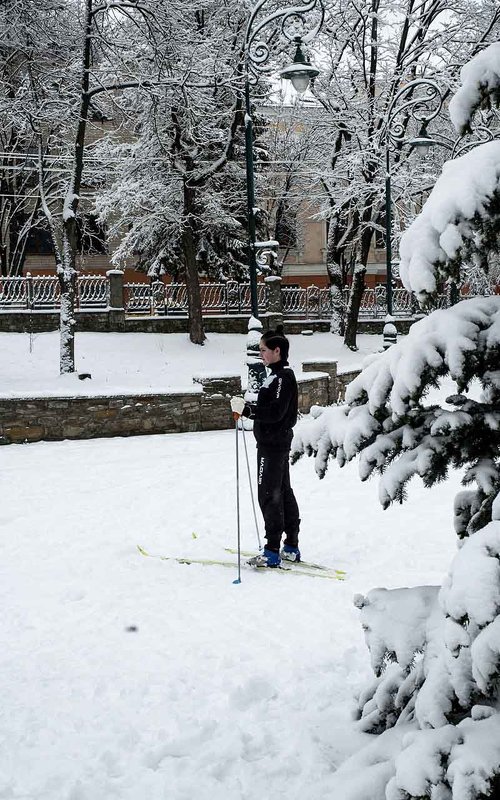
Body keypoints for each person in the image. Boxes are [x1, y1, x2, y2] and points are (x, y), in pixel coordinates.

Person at [230, 326, 301, 568]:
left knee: (270, 495)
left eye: (263, 350)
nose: (261, 354)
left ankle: (272, 550)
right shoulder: (275, 376)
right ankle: (290, 545)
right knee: (282, 490)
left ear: (277, 351)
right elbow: (271, 408)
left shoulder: (283, 377)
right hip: (273, 442)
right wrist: (248, 406)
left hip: (273, 445)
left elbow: (276, 413)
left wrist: (249, 411)